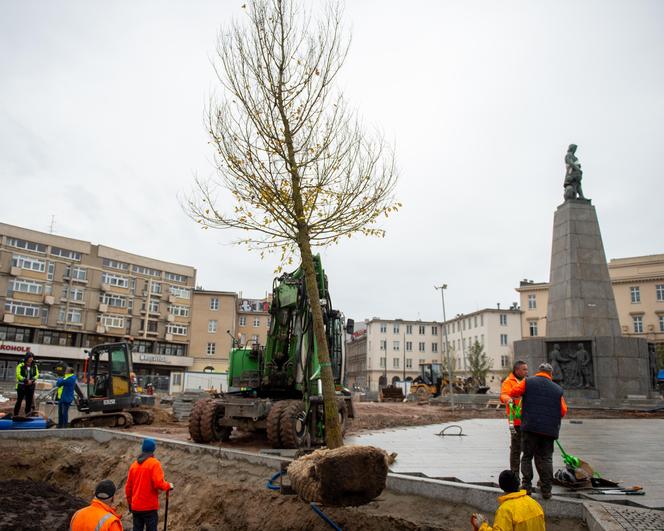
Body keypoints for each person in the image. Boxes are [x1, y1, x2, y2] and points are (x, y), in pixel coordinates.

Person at [510, 363, 567, 499]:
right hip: (549, 430)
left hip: (530, 427)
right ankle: (546, 490)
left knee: (527, 456)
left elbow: (513, 393)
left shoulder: (528, 382)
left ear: (539, 371)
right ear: (550, 374)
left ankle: (527, 487)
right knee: (546, 458)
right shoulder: (557, 389)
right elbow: (563, 411)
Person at [471, 470, 545, 531]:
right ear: (518, 483)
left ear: (501, 486)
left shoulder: (505, 510)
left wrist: (482, 527)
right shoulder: (535, 504)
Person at [125, 438, 174, 531]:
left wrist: (130, 503)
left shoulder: (134, 465)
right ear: (153, 449)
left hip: (136, 507)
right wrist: (168, 486)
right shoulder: (154, 464)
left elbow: (128, 487)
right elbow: (159, 484)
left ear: (143, 449)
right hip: (149, 508)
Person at [500, 360, 528, 480]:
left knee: (528, 449)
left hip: (528, 421)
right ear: (517, 370)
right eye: (524, 369)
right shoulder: (509, 381)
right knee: (516, 449)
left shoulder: (527, 381)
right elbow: (503, 395)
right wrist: (508, 399)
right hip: (515, 421)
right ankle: (515, 475)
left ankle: (527, 476)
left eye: (527, 369)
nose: (527, 372)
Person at [14, 352, 39, 416]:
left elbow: (37, 374)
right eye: (30, 357)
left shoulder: (34, 366)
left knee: (29, 402)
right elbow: (18, 374)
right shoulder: (20, 365)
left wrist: (32, 379)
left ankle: (27, 415)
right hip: (22, 386)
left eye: (32, 357)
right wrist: (25, 380)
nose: (31, 359)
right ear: (27, 358)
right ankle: (15, 414)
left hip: (30, 386)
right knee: (19, 401)